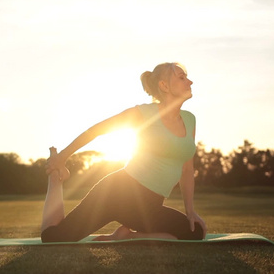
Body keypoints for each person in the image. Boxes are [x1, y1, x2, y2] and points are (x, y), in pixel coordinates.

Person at [41, 62, 207, 243]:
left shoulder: (190, 120)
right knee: (54, 238)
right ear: (164, 86)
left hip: (149, 207)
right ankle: (55, 180)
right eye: (182, 78)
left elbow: (187, 170)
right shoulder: (142, 113)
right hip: (116, 193)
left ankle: (127, 236)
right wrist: (62, 158)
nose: (189, 82)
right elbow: (97, 130)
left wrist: (190, 211)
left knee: (195, 232)